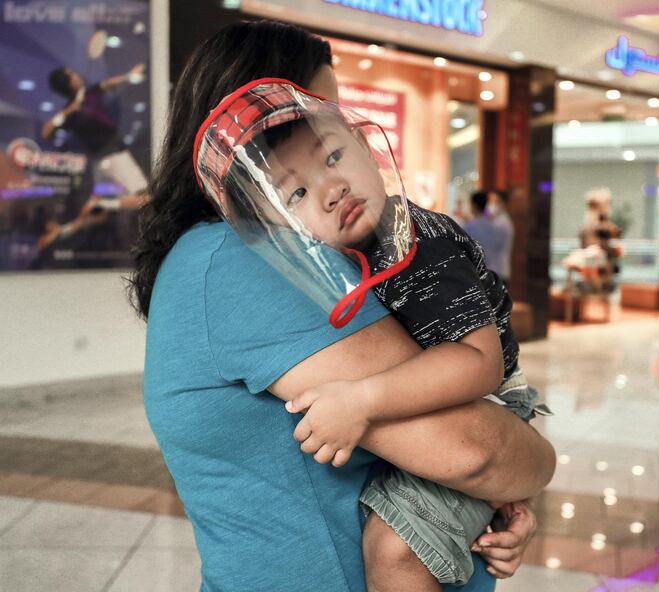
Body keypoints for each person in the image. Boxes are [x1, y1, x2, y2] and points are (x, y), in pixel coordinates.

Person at [129, 20, 555, 592]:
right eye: (296, 186)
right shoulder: (248, 257)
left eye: (335, 134)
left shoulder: (386, 243)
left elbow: (476, 418)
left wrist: (493, 500)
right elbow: (474, 454)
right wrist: (515, 476)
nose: (332, 184)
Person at [39, 64, 150, 250]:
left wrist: (129, 76)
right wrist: (67, 112)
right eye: (71, 74)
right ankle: (101, 202)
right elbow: (46, 133)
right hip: (115, 158)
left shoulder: (90, 93)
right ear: (67, 83)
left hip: (100, 165)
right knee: (146, 199)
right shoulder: (70, 112)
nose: (76, 74)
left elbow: (107, 84)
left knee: (99, 216)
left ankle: (62, 231)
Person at [462, 190, 503, 275]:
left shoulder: (468, 227)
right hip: (492, 271)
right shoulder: (494, 227)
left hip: (475, 271)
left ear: (474, 205)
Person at [487, 189, 514, 283]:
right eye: (489, 201)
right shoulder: (494, 221)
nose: (490, 204)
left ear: (502, 204)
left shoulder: (502, 223)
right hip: (493, 271)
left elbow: (491, 244)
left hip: (498, 272)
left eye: (494, 201)